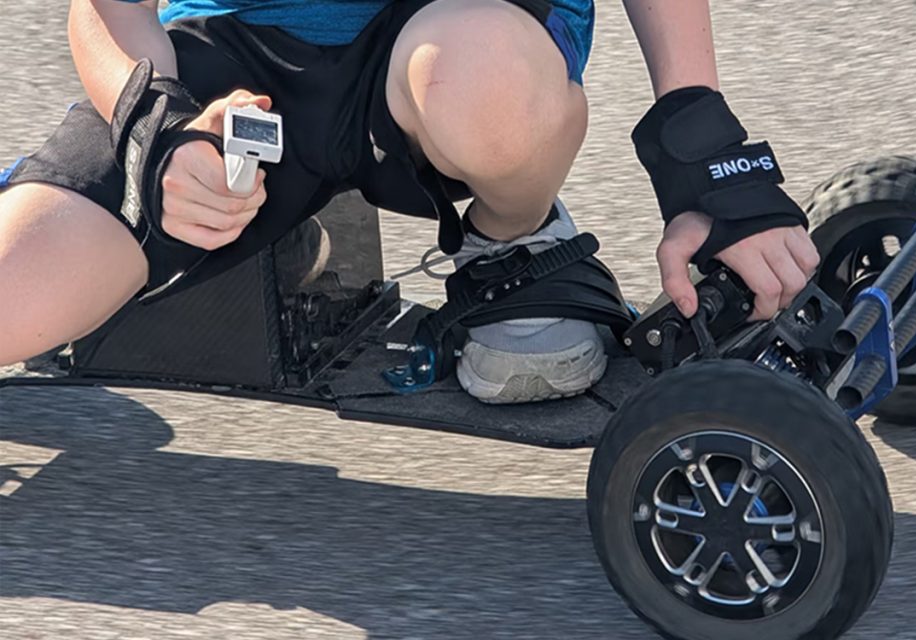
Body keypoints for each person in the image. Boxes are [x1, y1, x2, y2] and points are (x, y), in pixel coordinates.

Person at [0, 0, 818, 402]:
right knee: (16, 297)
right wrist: (161, 131)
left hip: (462, 47)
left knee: (481, 81)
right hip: (232, 70)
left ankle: (512, 238)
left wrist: (706, 155)